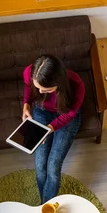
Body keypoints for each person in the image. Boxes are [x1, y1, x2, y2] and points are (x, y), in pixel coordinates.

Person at [22, 55, 85, 204]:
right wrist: (26, 104)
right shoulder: (30, 72)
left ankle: (46, 206)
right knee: (40, 164)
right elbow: (28, 89)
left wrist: (49, 129)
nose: (41, 92)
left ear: (59, 83)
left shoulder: (76, 85)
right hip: (42, 111)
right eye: (38, 87)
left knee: (53, 166)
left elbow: (69, 115)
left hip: (66, 116)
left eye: (47, 89)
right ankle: (46, 204)